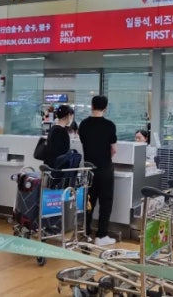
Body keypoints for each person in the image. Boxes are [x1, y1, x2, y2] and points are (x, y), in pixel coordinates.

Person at [79, 95, 117, 246]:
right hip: (105, 169)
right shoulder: (110, 125)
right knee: (106, 202)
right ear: (105, 108)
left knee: (88, 202)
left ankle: (86, 233)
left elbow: (84, 143)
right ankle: (101, 235)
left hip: (89, 170)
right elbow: (114, 149)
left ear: (92, 106)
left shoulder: (83, 124)